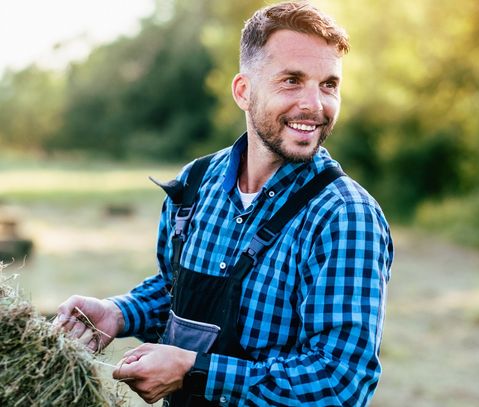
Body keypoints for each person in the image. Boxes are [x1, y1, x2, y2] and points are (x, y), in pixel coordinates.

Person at [56, 2, 394, 406]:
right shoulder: (195, 184)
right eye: (292, 80)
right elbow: (175, 289)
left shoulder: (344, 216)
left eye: (329, 85)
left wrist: (194, 371)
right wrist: (118, 312)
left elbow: (341, 382)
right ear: (243, 91)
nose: (314, 105)